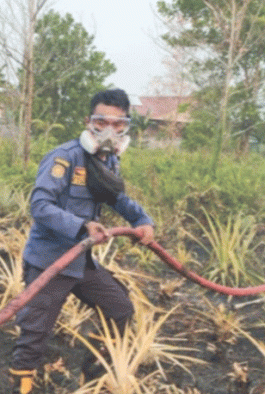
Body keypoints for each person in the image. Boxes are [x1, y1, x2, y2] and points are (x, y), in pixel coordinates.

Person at [9, 88, 155, 393]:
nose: (110, 131)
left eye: (119, 125)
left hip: (82, 261)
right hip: (50, 261)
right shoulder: (64, 157)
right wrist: (81, 226)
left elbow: (116, 197)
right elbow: (40, 205)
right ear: (90, 121)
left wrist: (141, 220)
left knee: (120, 310)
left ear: (126, 127)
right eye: (103, 122)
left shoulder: (109, 160)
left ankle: (92, 373)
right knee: (34, 337)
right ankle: (18, 386)